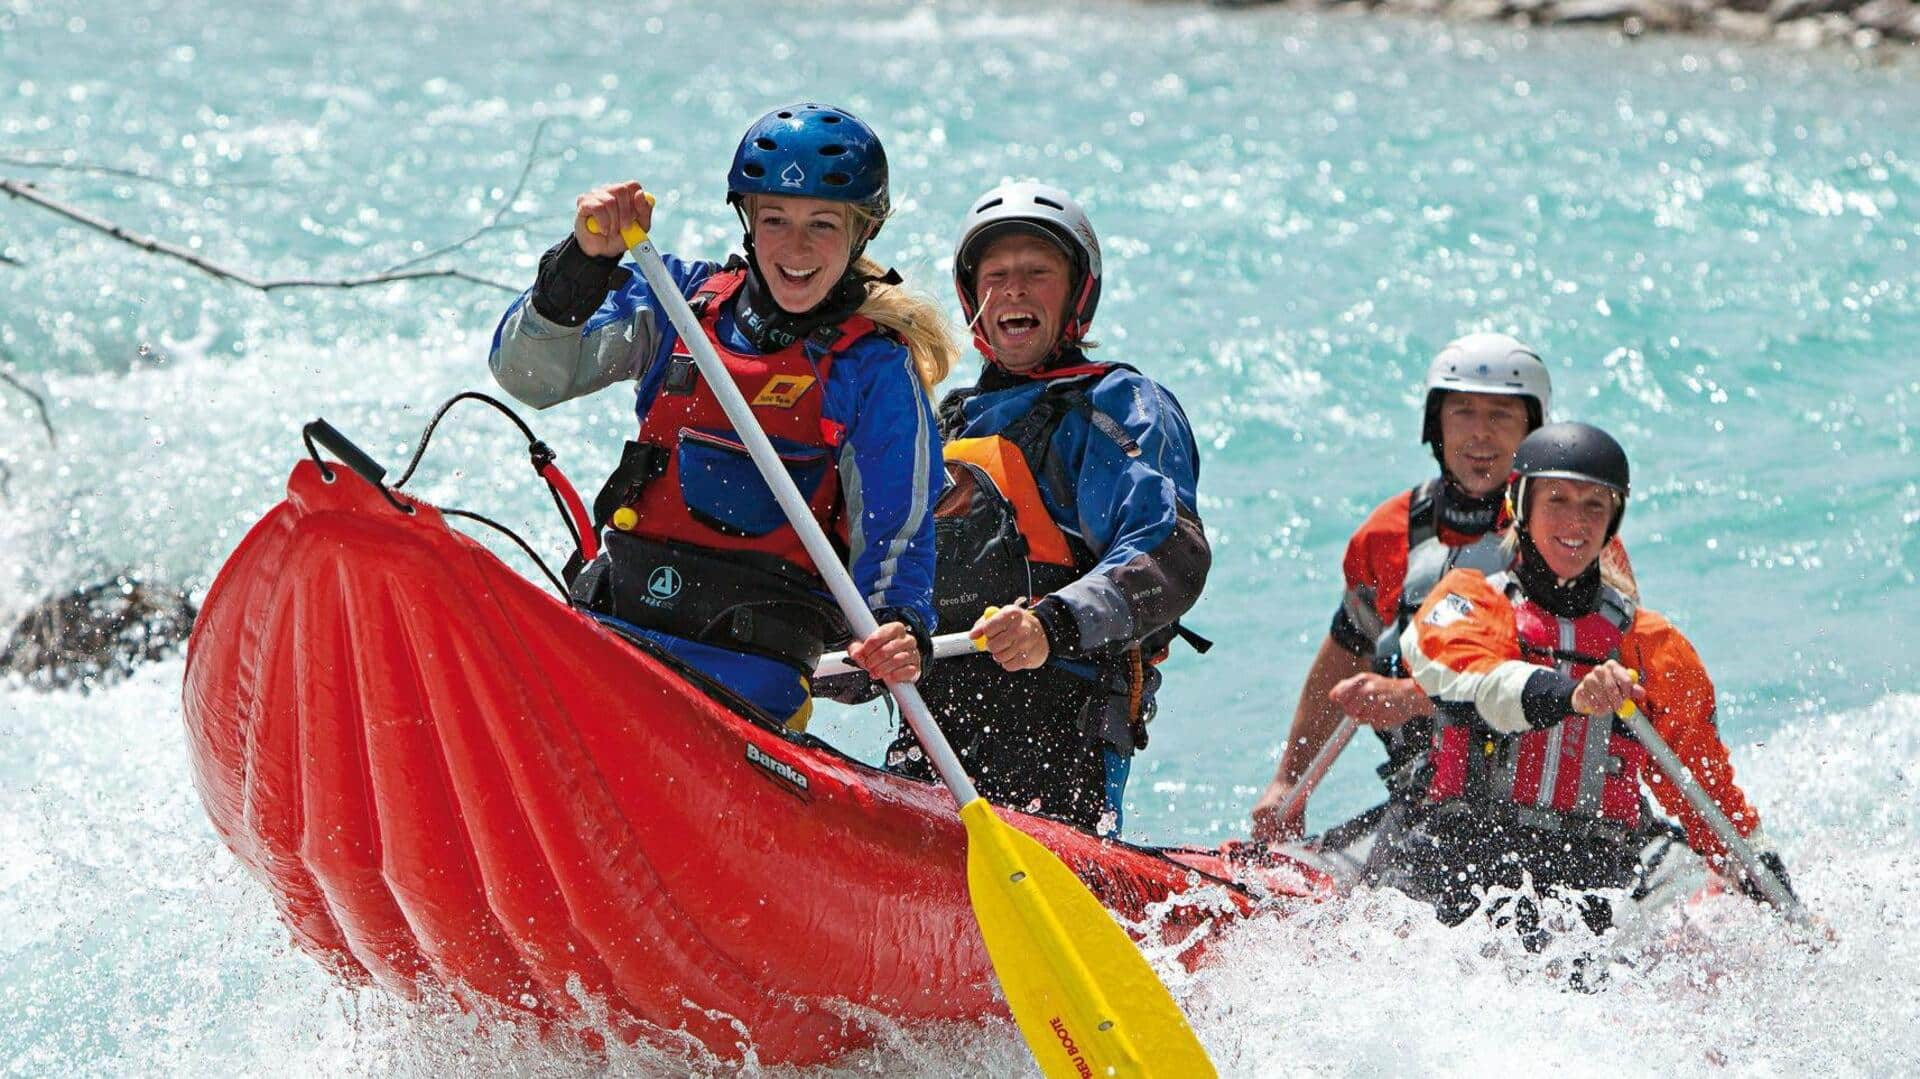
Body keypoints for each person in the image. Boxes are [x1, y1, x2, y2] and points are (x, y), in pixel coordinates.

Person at [487, 103, 955, 726]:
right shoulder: (680, 305)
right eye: (776, 220)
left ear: (860, 234)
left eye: (822, 224)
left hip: (752, 674)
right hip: (613, 629)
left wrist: (898, 625)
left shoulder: (872, 369)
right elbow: (528, 376)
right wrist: (584, 260)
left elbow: (897, 528)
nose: (796, 246)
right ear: (747, 222)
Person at [880, 181, 1211, 836]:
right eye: (996, 276)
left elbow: (1168, 550)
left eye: (1037, 273)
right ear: (974, 300)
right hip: (935, 726)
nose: (1014, 291)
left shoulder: (1115, 403)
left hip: (1062, 737)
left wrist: (1051, 624)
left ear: (1077, 293)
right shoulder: (946, 422)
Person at [1386, 422, 1796, 939]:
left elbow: (1708, 798)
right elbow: (1478, 687)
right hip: (1466, 857)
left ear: (1613, 521)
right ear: (1520, 506)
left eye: (1594, 506)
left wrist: (1783, 903)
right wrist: (1574, 695)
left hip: (1591, 875)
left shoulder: (1651, 646)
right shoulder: (1467, 601)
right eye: (1557, 500)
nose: (1574, 522)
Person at [1251, 334, 1601, 842]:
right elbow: (1347, 653)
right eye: (1462, 412)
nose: (1480, 435)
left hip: (1552, 811)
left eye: (1501, 416)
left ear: (1532, 430)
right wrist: (1287, 783)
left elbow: (1586, 670)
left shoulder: (1570, 538)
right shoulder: (1386, 535)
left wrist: (1412, 698)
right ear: (1434, 424)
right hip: (1427, 807)